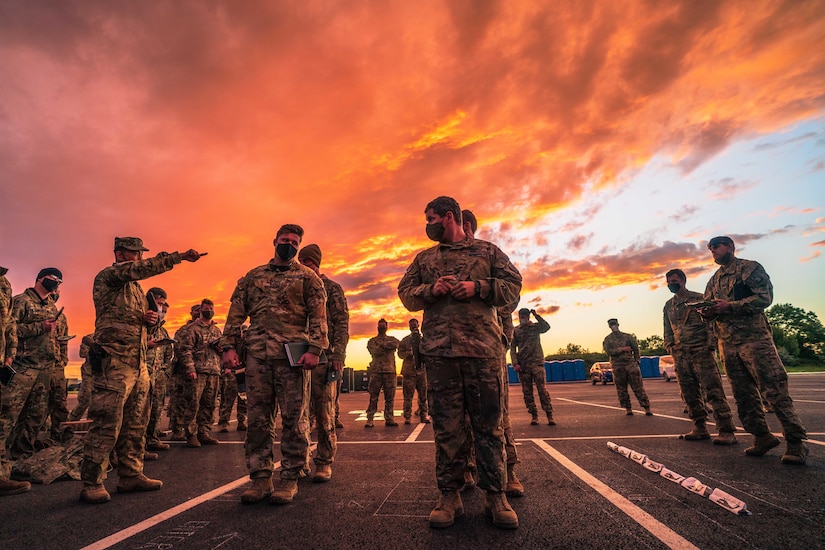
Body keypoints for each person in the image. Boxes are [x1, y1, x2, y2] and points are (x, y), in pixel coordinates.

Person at [398, 196, 522, 530]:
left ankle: (496, 497)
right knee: (447, 429)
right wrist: (432, 289)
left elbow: (513, 287)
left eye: (431, 218)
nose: (428, 225)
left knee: (489, 427)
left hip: (484, 353)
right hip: (440, 355)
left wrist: (478, 287)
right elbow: (406, 294)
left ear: (449, 217)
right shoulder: (425, 259)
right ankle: (449, 496)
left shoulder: (488, 252)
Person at [79, 237, 203, 504]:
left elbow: (136, 323)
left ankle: (131, 474)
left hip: (138, 362)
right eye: (135, 253)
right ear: (121, 253)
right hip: (114, 362)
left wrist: (148, 320)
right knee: (106, 423)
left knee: (136, 422)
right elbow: (141, 269)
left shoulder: (135, 290)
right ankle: (93, 482)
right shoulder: (110, 276)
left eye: (140, 253)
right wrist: (178, 256)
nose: (138, 258)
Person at [220, 224, 328, 505]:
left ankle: (290, 478)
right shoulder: (253, 277)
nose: (289, 245)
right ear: (274, 241)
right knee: (257, 421)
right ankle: (260, 478)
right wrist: (229, 347)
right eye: (285, 240)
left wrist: (316, 349)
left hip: (292, 358)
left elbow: (318, 318)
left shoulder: (307, 279)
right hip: (257, 357)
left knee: (293, 421)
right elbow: (235, 314)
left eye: (294, 242)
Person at [700, 236, 808, 464]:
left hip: (755, 340)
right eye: (710, 249)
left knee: (774, 390)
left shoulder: (749, 268)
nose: (713, 252)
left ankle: (796, 443)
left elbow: (764, 298)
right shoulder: (714, 280)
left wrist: (731, 306)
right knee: (743, 395)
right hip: (727, 344)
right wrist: (708, 312)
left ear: (729, 247)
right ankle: (762, 437)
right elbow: (710, 305)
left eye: (716, 247)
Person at [461, 209, 522, 498]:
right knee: (461, 418)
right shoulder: (443, 260)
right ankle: (468, 468)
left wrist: (479, 289)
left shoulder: (487, 256)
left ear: (468, 226)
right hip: (458, 352)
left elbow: (510, 298)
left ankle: (509, 472)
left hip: (490, 352)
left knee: (498, 416)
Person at [663, 269, 737, 445]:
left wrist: (710, 345)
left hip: (701, 351)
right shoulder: (668, 305)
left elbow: (712, 323)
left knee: (713, 390)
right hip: (680, 354)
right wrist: (670, 346)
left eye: (673, 280)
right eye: (668, 282)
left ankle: (726, 430)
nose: (670, 284)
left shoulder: (699, 299)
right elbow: (667, 328)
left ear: (682, 280)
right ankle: (699, 427)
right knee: (689, 393)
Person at [298, 244, 349, 482]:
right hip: (298, 356)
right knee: (299, 413)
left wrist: (338, 355)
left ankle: (324, 461)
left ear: (316, 264)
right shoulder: (296, 285)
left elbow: (341, 322)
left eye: (306, 262)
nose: (302, 265)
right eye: (301, 261)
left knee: (324, 412)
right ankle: (300, 461)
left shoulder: (332, 288)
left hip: (325, 358)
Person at [3, 268, 63, 459]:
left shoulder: (52, 306)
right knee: (10, 414)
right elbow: (11, 330)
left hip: (44, 367)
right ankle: (5, 458)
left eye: (59, 281)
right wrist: (40, 327)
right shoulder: (22, 301)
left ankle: (23, 455)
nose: (55, 283)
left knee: (35, 415)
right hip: (24, 366)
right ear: (40, 279)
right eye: (52, 279)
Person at [0, 265, 32, 496]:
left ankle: (2, 474)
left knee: (4, 417)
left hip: (2, 361)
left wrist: (9, 353)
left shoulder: (4, 283)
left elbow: (9, 323)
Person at [177, 298, 223, 448]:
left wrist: (221, 350)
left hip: (214, 371)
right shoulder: (193, 329)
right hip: (198, 372)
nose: (208, 310)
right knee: (193, 403)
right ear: (201, 310)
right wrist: (190, 369)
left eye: (211, 308)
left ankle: (204, 432)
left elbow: (222, 350)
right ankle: (191, 434)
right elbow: (185, 350)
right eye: (206, 308)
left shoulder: (217, 330)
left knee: (209, 404)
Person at [511, 308, 554, 426]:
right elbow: (513, 348)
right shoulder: (516, 331)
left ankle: (549, 415)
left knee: (542, 390)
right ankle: (534, 415)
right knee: (527, 392)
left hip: (536, 363)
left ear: (528, 317)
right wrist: (515, 363)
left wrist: (537, 315)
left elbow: (546, 327)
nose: (523, 318)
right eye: (521, 316)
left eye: (525, 316)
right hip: (524, 365)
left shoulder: (535, 327)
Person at [603, 319, 651, 416]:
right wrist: (622, 349)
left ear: (618, 325)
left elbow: (636, 349)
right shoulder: (608, 339)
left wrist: (637, 360)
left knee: (638, 387)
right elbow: (609, 352)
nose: (614, 327)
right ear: (609, 327)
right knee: (621, 389)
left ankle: (647, 407)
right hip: (618, 366)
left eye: (615, 324)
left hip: (630, 364)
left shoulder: (628, 337)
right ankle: (628, 408)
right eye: (612, 325)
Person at [145, 290, 174, 453]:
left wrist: (165, 371)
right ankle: (139, 445)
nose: (162, 310)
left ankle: (152, 438)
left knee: (156, 408)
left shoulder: (162, 331)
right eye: (160, 305)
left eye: (164, 307)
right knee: (142, 410)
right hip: (144, 374)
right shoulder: (143, 326)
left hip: (159, 376)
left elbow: (169, 353)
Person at [168, 304, 201, 439]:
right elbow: (179, 349)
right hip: (183, 371)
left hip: (199, 370)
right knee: (180, 400)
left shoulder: (207, 330)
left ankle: (195, 429)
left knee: (195, 402)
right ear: (191, 312)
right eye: (196, 310)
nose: (199, 313)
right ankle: (177, 429)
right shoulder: (183, 330)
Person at [365, 319, 400, 428]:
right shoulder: (372, 341)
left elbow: (396, 344)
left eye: (383, 326)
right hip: (376, 372)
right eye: (380, 326)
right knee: (373, 397)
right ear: (377, 327)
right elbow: (374, 351)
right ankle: (370, 419)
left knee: (389, 397)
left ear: (387, 327)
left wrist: (381, 346)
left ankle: (389, 418)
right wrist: (386, 347)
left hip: (390, 372)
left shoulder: (392, 339)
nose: (381, 328)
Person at [47, 288, 71, 442]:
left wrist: (63, 360)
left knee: (60, 402)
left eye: (58, 290)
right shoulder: (26, 304)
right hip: (36, 364)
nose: (56, 293)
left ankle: (59, 436)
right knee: (37, 405)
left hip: (57, 366)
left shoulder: (61, 317)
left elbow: (64, 341)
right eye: (54, 290)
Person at [397, 319, 428, 425]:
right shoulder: (405, 340)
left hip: (421, 372)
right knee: (408, 396)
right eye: (411, 325)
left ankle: (424, 415)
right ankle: (407, 417)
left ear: (418, 325)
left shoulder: (424, 339)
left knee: (423, 396)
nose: (413, 327)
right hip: (409, 372)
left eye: (415, 325)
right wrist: (408, 354)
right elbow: (400, 354)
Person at [68, 334, 95, 421]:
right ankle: (72, 421)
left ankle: (91, 423)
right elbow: (82, 354)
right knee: (85, 399)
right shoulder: (89, 338)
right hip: (90, 374)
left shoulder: (113, 338)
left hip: (105, 376)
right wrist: (93, 347)